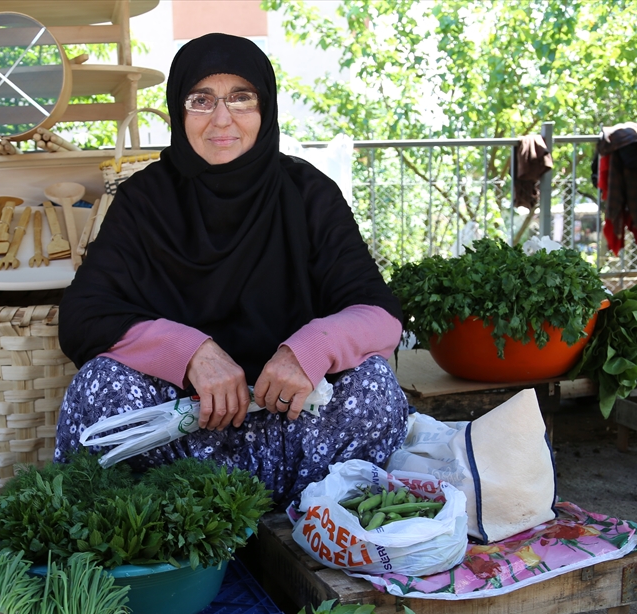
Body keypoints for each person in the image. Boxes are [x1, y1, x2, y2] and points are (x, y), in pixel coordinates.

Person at [55, 32, 408, 507]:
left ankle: (303, 518)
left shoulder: (308, 193)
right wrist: (191, 353)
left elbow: (380, 314)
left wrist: (308, 350)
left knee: (375, 387)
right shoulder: (145, 200)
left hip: (296, 429)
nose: (222, 119)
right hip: (180, 433)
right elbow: (83, 315)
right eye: (201, 100)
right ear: (179, 112)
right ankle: (177, 526)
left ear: (266, 108)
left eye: (241, 98)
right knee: (99, 385)